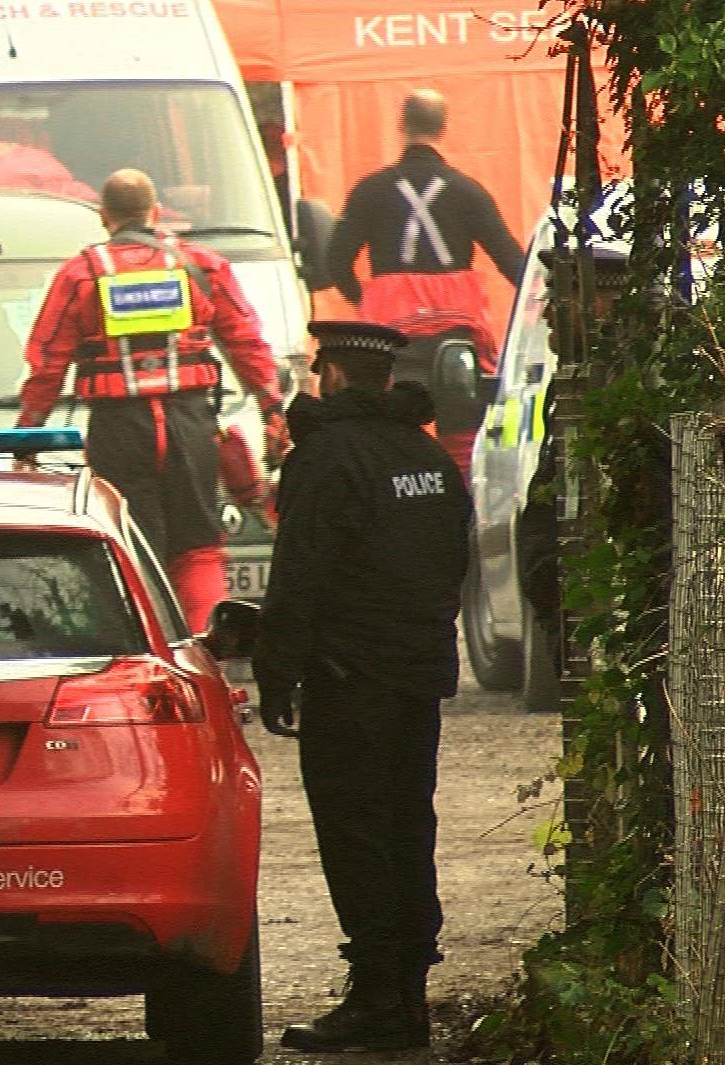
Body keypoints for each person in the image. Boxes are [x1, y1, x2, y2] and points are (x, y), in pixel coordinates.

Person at [253, 320, 472, 1053]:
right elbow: (454, 558)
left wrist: (276, 671)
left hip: (350, 680)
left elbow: (300, 574)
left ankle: (378, 994)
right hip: (416, 673)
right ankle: (407, 993)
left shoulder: (325, 456)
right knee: (409, 827)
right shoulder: (427, 453)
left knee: (355, 834)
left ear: (333, 377)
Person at [16, 168, 287, 633]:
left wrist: (27, 436)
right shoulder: (200, 265)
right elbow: (246, 341)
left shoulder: (81, 274)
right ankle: (204, 652)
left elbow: (47, 363)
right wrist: (272, 408)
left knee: (127, 545)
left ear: (104, 218)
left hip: (119, 429)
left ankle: (148, 655)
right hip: (191, 424)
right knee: (198, 545)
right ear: (155, 213)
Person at [326, 89, 525, 478]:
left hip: (390, 338)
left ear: (401, 126)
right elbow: (512, 262)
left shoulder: (370, 191)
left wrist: (368, 300)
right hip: (457, 337)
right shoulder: (468, 191)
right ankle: (461, 510)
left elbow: (336, 261)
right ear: (443, 128)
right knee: (463, 435)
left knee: (390, 432)